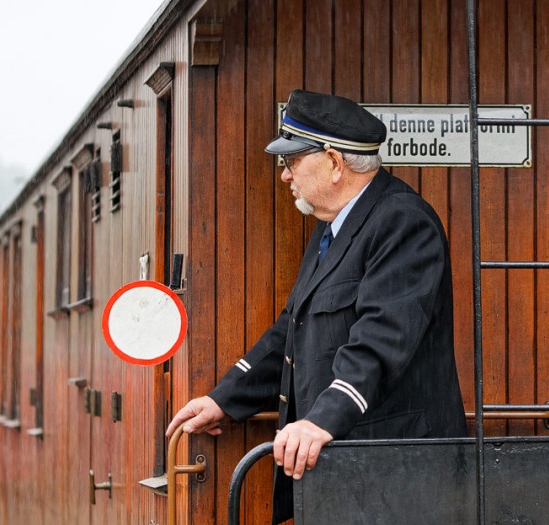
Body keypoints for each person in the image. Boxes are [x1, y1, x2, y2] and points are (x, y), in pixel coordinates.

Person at [166, 89, 467, 523]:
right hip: (348, 472)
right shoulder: (333, 228)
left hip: (399, 472)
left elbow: (382, 341)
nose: (285, 175)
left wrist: (321, 420)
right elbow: (293, 329)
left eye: (291, 161)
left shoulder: (403, 222)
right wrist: (224, 398)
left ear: (333, 162)